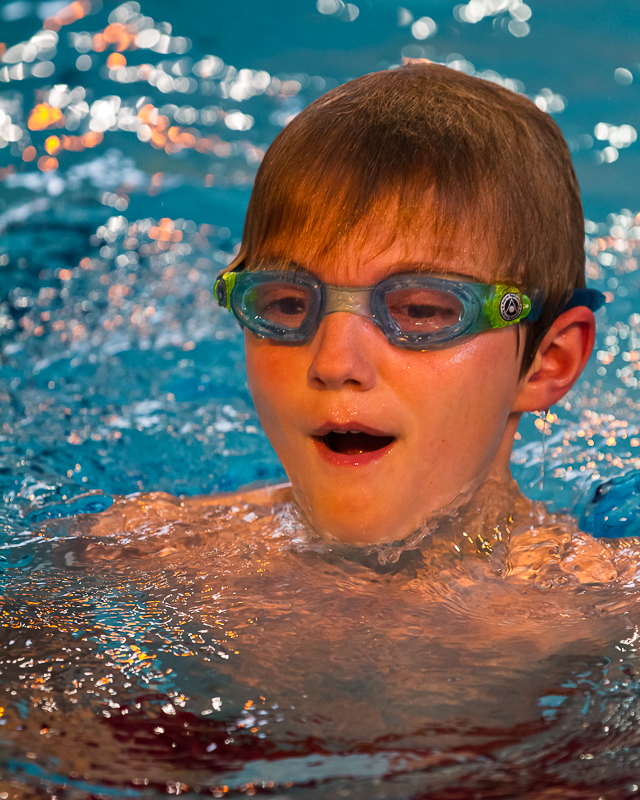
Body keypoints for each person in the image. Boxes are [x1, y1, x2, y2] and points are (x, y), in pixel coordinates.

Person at [206, 60, 604, 546]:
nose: (334, 364)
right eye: (288, 305)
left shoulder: (605, 591)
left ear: (548, 362)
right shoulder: (148, 550)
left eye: (419, 311)